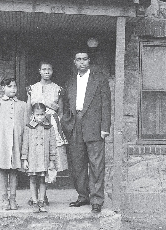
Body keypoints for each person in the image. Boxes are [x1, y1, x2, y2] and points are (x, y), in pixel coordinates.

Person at [61, 50, 111, 213]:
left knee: (96, 164)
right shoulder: (70, 81)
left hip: (94, 127)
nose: (81, 62)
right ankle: (83, 196)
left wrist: (105, 127)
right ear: (74, 62)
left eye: (84, 59)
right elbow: (66, 105)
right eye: (78, 59)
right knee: (78, 164)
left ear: (89, 61)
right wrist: (67, 124)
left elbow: (106, 104)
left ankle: (96, 199)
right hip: (75, 126)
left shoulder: (99, 79)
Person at [26, 61, 68, 205]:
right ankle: (34, 196)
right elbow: (28, 109)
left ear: (52, 71)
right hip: (34, 125)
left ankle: (44, 196)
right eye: (44, 69)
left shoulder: (57, 89)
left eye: (49, 69)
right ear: (39, 71)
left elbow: (60, 112)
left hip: (51, 125)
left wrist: (54, 124)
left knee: (48, 159)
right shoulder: (32, 88)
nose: (47, 72)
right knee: (35, 158)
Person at [0, 77, 27, 210]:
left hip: (16, 143)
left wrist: (24, 145)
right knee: (1, 170)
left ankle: (13, 199)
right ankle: (4, 199)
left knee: (14, 170)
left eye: (15, 86)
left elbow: (26, 126)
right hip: (0, 143)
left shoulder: (22, 105)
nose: (13, 89)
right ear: (3, 88)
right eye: (9, 86)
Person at [21, 103, 56, 213]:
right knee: (32, 179)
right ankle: (35, 201)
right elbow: (25, 144)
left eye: (42, 114)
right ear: (33, 114)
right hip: (33, 159)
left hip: (44, 159)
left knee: (42, 180)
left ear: (45, 114)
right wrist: (24, 159)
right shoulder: (28, 127)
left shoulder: (49, 128)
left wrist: (52, 160)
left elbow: (52, 145)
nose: (40, 117)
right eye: (37, 115)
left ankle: (41, 201)